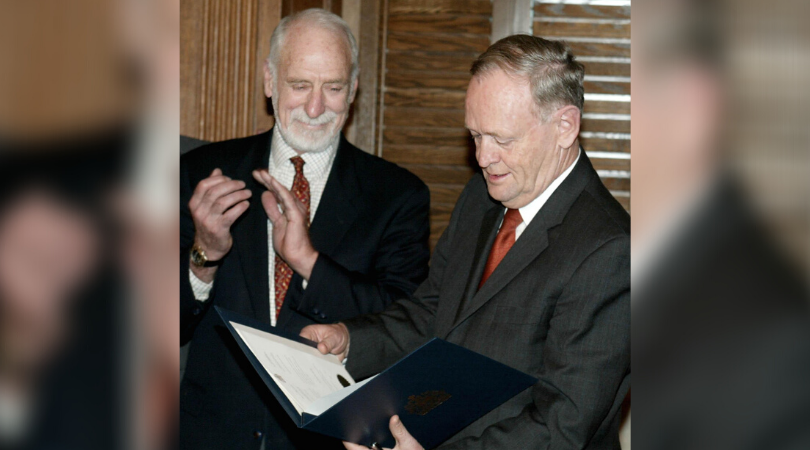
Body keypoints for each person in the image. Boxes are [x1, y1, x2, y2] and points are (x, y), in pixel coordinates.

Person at [302, 35, 631, 450]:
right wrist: (351, 342)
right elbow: (434, 312)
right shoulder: (481, 198)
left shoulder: (610, 250)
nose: (482, 156)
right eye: (475, 135)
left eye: (501, 139)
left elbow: (562, 424)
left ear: (565, 126)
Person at [179, 9, 431, 450]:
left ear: (353, 90)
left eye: (332, 88)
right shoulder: (200, 173)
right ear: (269, 82)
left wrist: (309, 262)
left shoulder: (398, 196)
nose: (315, 108)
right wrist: (204, 257)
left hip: (330, 440)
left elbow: (402, 327)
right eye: (299, 85)